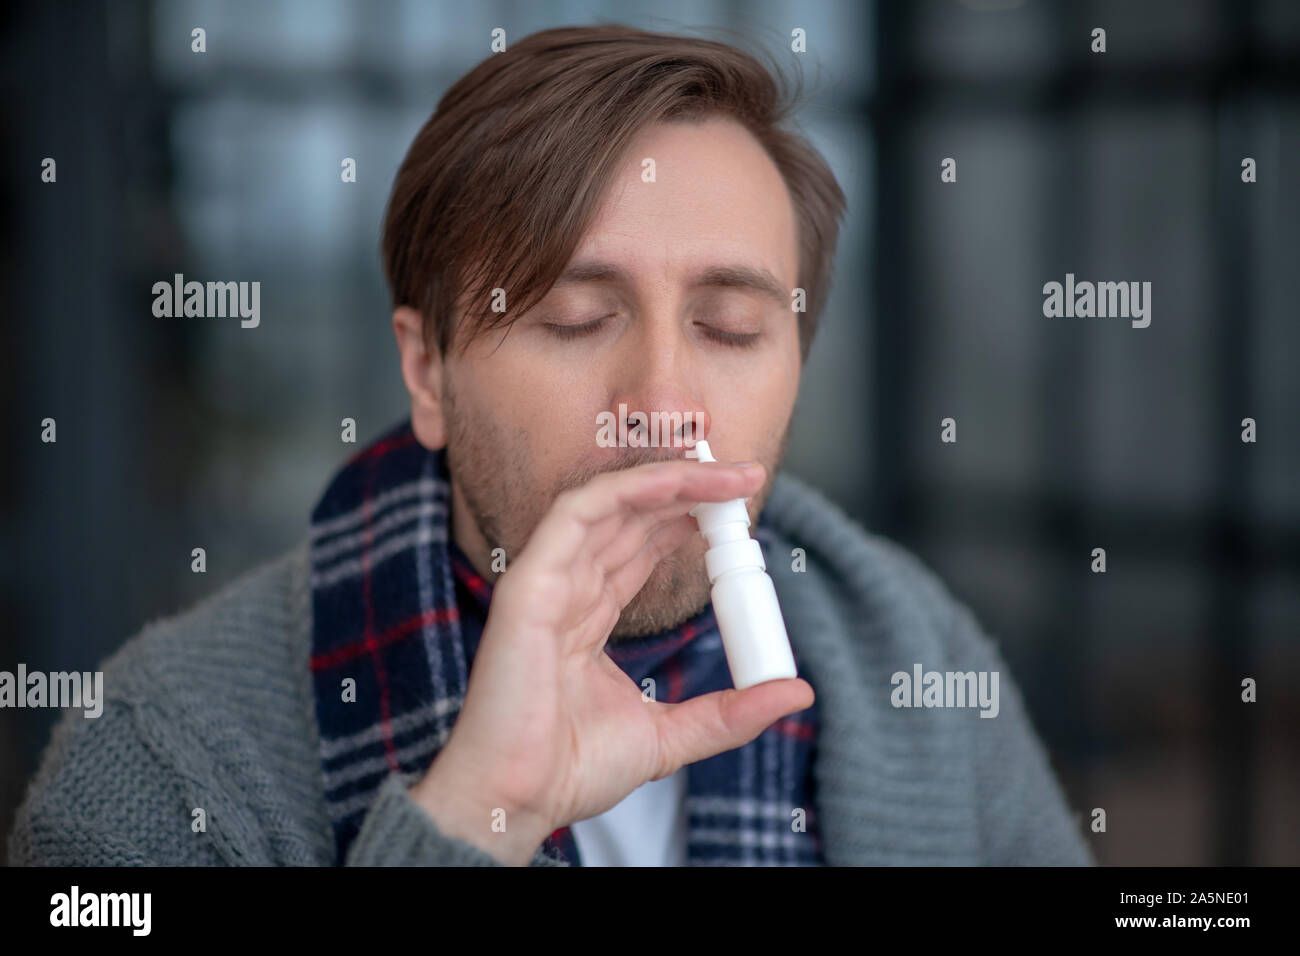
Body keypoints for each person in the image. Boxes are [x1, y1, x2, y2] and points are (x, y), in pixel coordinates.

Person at [8, 24, 1092, 867]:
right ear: (428, 370)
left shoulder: (915, 656)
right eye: (575, 318)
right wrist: (477, 818)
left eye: (730, 329)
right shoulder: (162, 756)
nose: (663, 401)